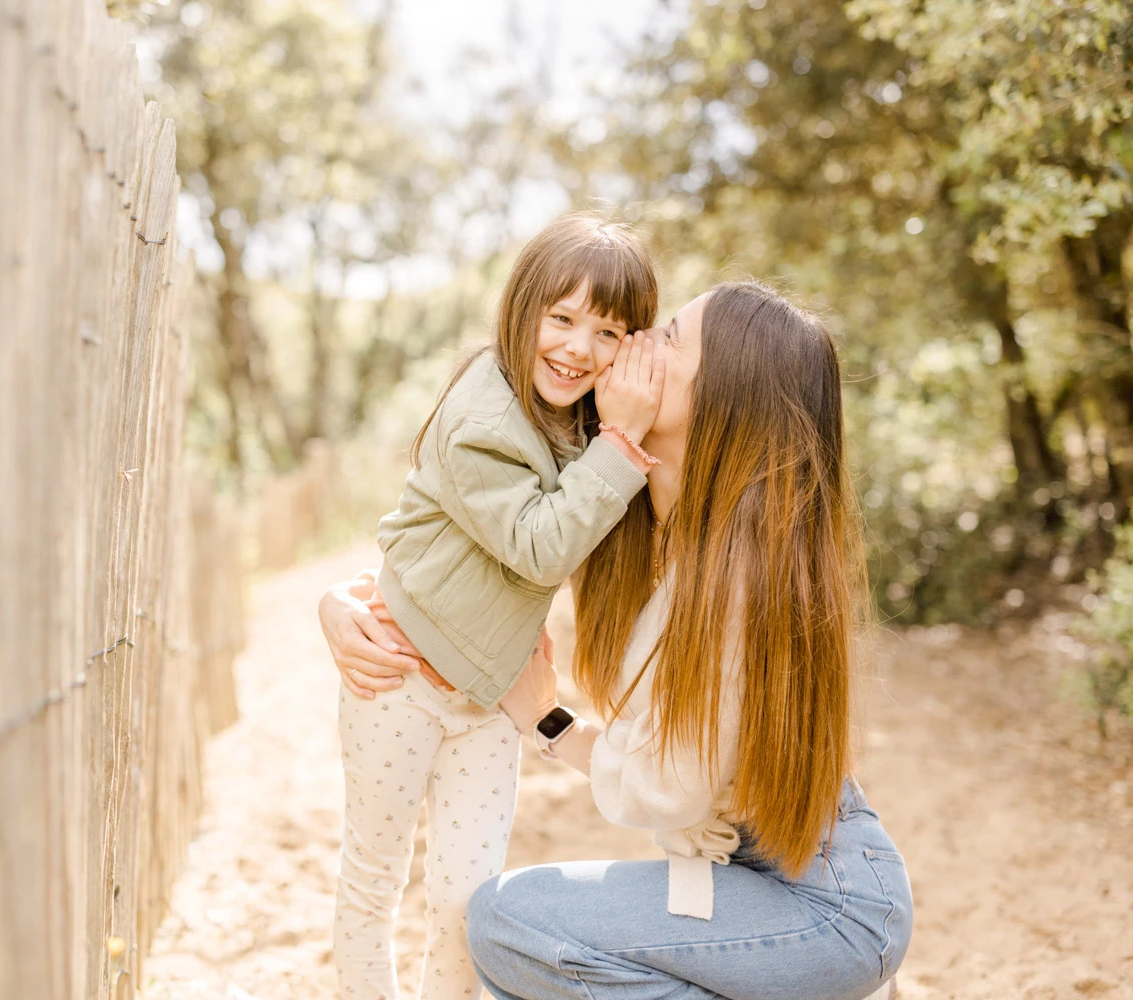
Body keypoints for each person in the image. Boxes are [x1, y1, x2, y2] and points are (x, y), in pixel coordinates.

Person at [319, 282, 912, 1000]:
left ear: (725, 397)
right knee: (519, 929)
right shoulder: (630, 514)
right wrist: (346, 599)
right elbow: (477, 548)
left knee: (511, 922)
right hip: (741, 875)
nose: (634, 343)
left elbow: (669, 788)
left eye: (669, 337)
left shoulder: (738, 578)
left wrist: (547, 721)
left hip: (826, 903)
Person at [330, 212, 668, 1000]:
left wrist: (617, 435)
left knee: (466, 901)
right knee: (375, 876)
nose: (578, 348)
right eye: (562, 319)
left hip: (489, 697)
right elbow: (539, 545)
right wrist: (621, 448)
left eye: (609, 333)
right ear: (522, 308)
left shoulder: (580, 420)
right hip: (399, 674)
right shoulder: (483, 419)